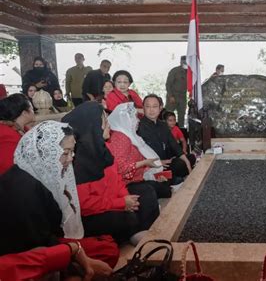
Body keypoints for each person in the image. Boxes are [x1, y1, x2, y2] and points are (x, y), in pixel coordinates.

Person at [0, 121, 119, 271]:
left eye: (72, 152)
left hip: (49, 240)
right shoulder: (24, 190)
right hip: (27, 255)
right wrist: (75, 253)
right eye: (65, 153)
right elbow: (38, 246)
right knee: (106, 250)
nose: (70, 159)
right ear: (46, 152)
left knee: (106, 243)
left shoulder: (38, 171)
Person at [62, 102, 158, 245]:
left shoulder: (103, 148)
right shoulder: (78, 160)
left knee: (144, 196)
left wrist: (126, 198)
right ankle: (133, 234)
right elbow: (85, 204)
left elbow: (117, 179)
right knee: (126, 218)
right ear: (93, 126)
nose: (109, 126)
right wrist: (120, 203)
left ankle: (139, 233)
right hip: (93, 213)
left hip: (111, 202)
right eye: (105, 122)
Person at [108, 102, 173, 199]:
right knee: (154, 190)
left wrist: (152, 175)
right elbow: (121, 169)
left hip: (138, 178)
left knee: (164, 184)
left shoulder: (129, 136)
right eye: (134, 117)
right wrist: (145, 162)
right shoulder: (121, 138)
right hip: (126, 184)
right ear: (126, 120)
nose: (137, 120)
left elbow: (136, 161)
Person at [138, 94, 194, 182]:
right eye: (148, 106)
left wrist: (187, 162)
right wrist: (159, 162)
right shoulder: (139, 126)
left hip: (167, 161)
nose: (151, 110)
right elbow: (139, 152)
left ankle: (175, 177)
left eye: (155, 106)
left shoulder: (163, 125)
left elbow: (174, 145)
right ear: (143, 108)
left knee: (190, 158)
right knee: (179, 165)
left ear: (160, 108)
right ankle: (174, 178)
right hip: (152, 165)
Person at [0, 93, 35, 174]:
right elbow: (11, 168)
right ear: (24, 113)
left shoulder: (22, 129)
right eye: (32, 109)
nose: (34, 112)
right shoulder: (6, 134)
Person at [166, 55, 188, 127]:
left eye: (186, 61)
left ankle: (181, 133)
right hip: (173, 96)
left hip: (183, 97)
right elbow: (168, 84)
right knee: (168, 115)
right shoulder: (175, 71)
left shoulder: (189, 72)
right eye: (183, 61)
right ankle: (166, 132)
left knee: (181, 116)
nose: (185, 63)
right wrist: (171, 96)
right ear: (180, 62)